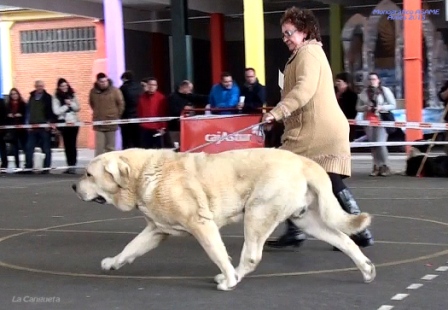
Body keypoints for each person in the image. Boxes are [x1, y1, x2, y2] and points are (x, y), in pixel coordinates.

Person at [262, 7, 373, 250]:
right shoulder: (302, 55)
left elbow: (303, 90)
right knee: (315, 180)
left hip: (318, 130)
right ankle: (354, 230)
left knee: (296, 175)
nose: (285, 38)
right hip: (314, 129)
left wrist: (276, 112)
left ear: (304, 31)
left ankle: (355, 230)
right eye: (283, 34)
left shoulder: (309, 54)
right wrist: (279, 116)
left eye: (289, 32)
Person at [356, 72, 396, 176]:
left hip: (381, 120)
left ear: (378, 80)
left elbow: (393, 105)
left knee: (380, 143)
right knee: (373, 145)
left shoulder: (384, 91)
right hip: (368, 120)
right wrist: (365, 108)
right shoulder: (363, 93)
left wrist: (382, 107)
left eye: (374, 79)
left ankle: (384, 165)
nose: (371, 81)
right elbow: (357, 108)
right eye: (370, 79)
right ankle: (376, 166)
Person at [52, 78, 80, 174]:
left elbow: (78, 108)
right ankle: (69, 165)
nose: (65, 88)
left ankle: (73, 165)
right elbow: (56, 111)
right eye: (62, 86)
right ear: (59, 87)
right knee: (67, 145)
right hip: (64, 123)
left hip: (74, 123)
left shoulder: (72, 94)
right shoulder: (56, 97)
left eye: (66, 86)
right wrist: (66, 106)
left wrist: (71, 103)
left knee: (72, 144)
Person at [335, 72, 358, 141]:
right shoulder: (332, 92)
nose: (336, 83)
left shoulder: (352, 95)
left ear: (346, 82)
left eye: (339, 81)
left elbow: (353, 111)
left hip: (347, 123)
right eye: (336, 81)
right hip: (334, 122)